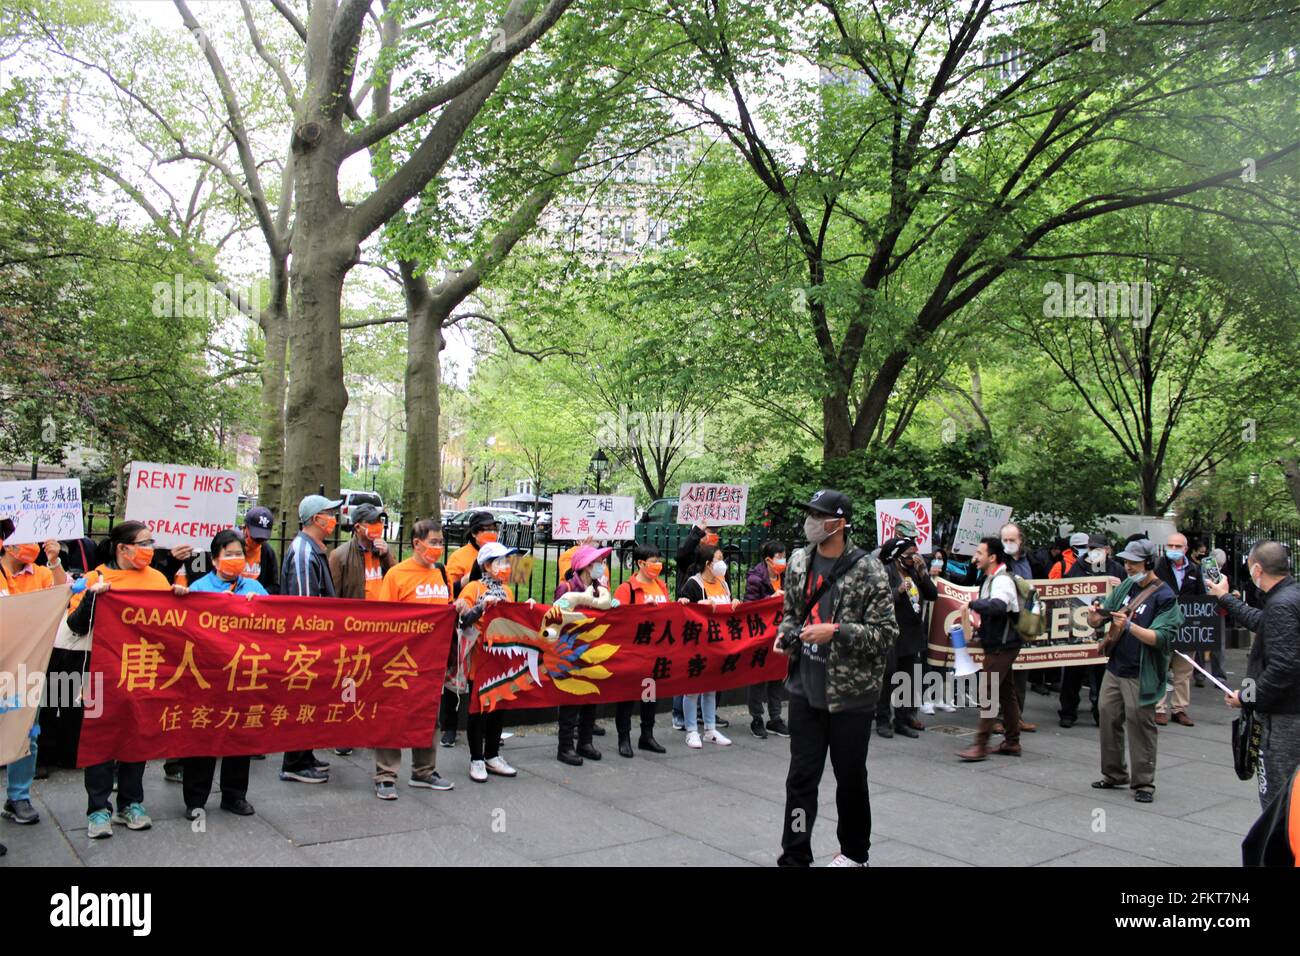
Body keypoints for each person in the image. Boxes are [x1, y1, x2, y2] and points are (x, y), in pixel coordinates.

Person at [776, 489, 897, 867]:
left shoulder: (869, 569)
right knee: (800, 781)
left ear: (839, 524)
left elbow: (886, 634)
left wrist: (837, 631)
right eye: (810, 514)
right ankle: (795, 854)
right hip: (804, 692)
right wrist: (787, 636)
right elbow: (792, 613)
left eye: (819, 516)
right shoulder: (798, 562)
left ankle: (854, 853)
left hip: (851, 697)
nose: (811, 522)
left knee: (850, 781)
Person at [65, 521, 183, 838]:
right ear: (123, 548)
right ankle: (98, 811)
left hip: (143, 675)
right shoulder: (96, 578)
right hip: (102, 677)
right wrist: (92, 597)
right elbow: (75, 626)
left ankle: (131, 804)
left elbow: (173, 625)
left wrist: (180, 596)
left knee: (137, 740)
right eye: (144, 542)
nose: (150, 548)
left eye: (150, 542)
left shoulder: (157, 579)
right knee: (101, 742)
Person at [179, 530, 267, 819]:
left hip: (244, 674)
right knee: (202, 735)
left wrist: (260, 607)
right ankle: (195, 800)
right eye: (228, 554)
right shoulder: (201, 587)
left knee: (239, 735)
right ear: (215, 559)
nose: (235, 559)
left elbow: (274, 624)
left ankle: (234, 795)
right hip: (207, 675)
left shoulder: (255, 587)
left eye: (239, 553)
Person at [1087, 538, 1181, 804]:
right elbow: (1101, 616)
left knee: (1141, 725)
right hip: (1116, 666)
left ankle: (1144, 782)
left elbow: (1160, 638)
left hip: (1142, 671)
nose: (1127, 566)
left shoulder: (1164, 596)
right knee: (1107, 717)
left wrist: (1128, 626)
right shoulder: (1126, 585)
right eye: (1126, 561)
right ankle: (1114, 774)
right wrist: (1096, 614)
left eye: (1133, 562)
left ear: (1148, 563)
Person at [1208, 541, 1300, 810]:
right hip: (1289, 713)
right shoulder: (1289, 597)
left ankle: (1280, 848)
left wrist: (1247, 698)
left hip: (1284, 719)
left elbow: (1284, 667)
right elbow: (1262, 622)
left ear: (1258, 569)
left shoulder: (1282, 604)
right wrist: (1224, 598)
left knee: (1279, 797)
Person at [371, 519, 455, 798]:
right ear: (417, 544)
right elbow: (384, 619)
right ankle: (386, 775)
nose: (438, 547)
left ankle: (424, 771)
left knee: (429, 715)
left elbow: (447, 613)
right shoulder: (396, 575)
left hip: (432, 661)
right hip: (402, 659)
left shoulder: (442, 574)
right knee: (393, 714)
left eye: (441, 542)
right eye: (433, 542)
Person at [0, 527, 65, 828]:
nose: (30, 544)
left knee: (26, 731)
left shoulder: (40, 573)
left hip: (27, 668)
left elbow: (61, 594)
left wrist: (54, 561)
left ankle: (18, 796)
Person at [278, 493, 343, 784]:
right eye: (330, 514)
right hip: (306, 643)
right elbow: (306, 607)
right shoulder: (304, 552)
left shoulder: (313, 549)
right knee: (301, 696)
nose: (335, 519)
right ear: (316, 519)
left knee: (309, 699)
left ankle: (305, 754)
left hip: (314, 641)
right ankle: (294, 762)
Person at [327, 502, 395, 756]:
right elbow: (334, 595)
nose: (379, 527)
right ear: (358, 527)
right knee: (349, 681)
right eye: (373, 522)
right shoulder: (340, 555)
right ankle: (344, 733)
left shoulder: (382, 551)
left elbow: (395, 577)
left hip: (382, 627)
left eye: (381, 522)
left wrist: (387, 554)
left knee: (375, 679)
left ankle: (370, 726)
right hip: (354, 629)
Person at [458, 542, 524, 781]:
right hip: (479, 659)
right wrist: (480, 608)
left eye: (507, 561)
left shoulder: (507, 591)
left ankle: (492, 754)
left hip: (501, 660)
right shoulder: (473, 588)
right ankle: (476, 758)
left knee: (498, 708)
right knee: (478, 710)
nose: (506, 566)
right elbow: (461, 619)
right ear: (486, 565)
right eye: (500, 561)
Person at [956, 538, 1024, 762]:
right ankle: (1012, 741)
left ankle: (980, 745)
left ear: (992, 557)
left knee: (988, 693)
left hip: (1002, 647)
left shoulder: (1002, 580)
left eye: (979, 553)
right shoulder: (990, 578)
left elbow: (998, 606)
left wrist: (972, 605)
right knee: (1006, 692)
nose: (975, 557)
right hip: (1000, 644)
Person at [553, 544, 615, 764]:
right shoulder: (567, 587)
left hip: (592, 650)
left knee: (591, 697)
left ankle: (585, 742)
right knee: (571, 699)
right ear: (586, 566)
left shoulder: (601, 589)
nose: (602, 567)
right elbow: (557, 615)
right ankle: (565, 746)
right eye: (599, 563)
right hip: (570, 650)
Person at [441, 512, 499, 747]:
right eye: (486, 528)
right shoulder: (459, 556)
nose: (492, 532)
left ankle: (485, 727)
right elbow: (449, 588)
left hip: (490, 631)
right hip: (464, 624)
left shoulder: (499, 552)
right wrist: (467, 580)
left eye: (494, 528)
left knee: (483, 679)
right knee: (456, 675)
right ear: (474, 533)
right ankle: (450, 727)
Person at [1057, 532, 1120, 729]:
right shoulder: (1079, 566)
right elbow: (1065, 591)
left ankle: (1100, 712)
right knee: (1073, 671)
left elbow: (1128, 595)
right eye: (1091, 548)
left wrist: (1119, 587)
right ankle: (1068, 712)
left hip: (1105, 627)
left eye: (1097, 549)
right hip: (1079, 626)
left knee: (1101, 673)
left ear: (1108, 550)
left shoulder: (1116, 569)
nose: (1092, 552)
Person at [875, 536, 936, 740]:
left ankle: (901, 720)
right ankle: (883, 719)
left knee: (907, 678)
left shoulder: (913, 571)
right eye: (909, 555)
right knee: (888, 676)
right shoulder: (885, 571)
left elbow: (932, 594)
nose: (913, 559)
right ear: (897, 556)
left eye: (915, 555)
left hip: (911, 632)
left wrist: (923, 573)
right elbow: (878, 598)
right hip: (892, 632)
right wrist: (898, 591)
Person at [612, 544, 670, 757]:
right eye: (653, 561)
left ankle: (647, 734)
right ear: (640, 563)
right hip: (632, 652)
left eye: (658, 560)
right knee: (627, 696)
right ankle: (624, 737)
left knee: (650, 695)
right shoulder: (626, 589)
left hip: (654, 651)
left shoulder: (661, 586)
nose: (657, 565)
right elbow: (618, 620)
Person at [676, 541, 735, 749]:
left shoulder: (724, 583)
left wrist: (735, 603)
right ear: (709, 564)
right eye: (719, 559)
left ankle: (710, 729)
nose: (723, 564)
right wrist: (698, 605)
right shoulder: (693, 584)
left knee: (711, 687)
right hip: (697, 644)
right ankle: (691, 730)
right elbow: (682, 610)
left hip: (719, 643)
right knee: (693, 689)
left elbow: (729, 605)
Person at [1154, 531, 1205, 728]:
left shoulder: (1194, 570)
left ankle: (1179, 708)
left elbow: (1202, 598)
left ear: (1185, 549)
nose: (1173, 550)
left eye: (1177, 547)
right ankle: (1158, 708)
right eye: (1170, 546)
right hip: (1163, 626)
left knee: (1183, 672)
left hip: (1186, 629)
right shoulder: (1158, 567)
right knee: (1160, 668)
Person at [744, 540, 790, 740]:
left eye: (784, 556)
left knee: (777, 675)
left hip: (780, 633)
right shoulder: (756, 578)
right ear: (768, 560)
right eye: (779, 557)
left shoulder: (786, 576)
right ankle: (757, 718)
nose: (783, 560)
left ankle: (775, 718)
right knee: (758, 678)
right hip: (761, 636)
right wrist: (771, 599)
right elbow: (749, 606)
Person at [241, 505, 280, 594]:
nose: (257, 542)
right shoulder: (232, 548)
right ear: (245, 528)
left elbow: (274, 586)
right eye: (255, 537)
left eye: (262, 539)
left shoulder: (267, 552)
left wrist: (260, 593)